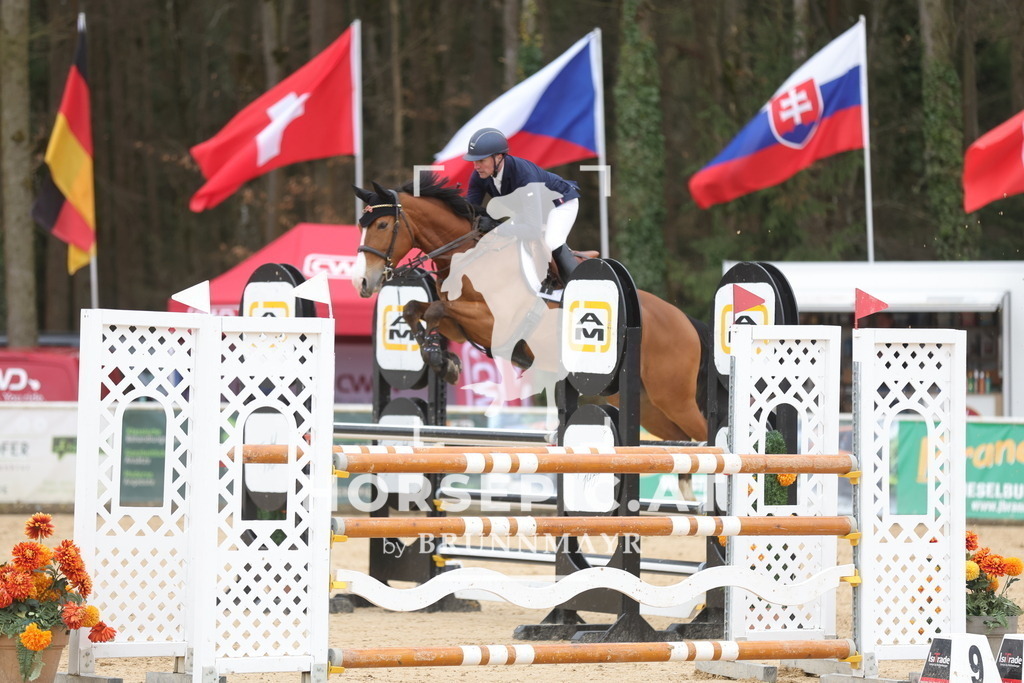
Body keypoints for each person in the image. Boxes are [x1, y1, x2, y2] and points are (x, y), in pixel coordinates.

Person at [463, 127, 581, 285]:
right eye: (474, 161)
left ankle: (578, 287)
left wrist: (494, 227)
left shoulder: (524, 176)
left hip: (560, 203)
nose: (476, 166)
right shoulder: (480, 176)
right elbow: (469, 210)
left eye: (481, 161)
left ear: (498, 157)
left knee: (552, 241)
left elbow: (532, 230)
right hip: (531, 208)